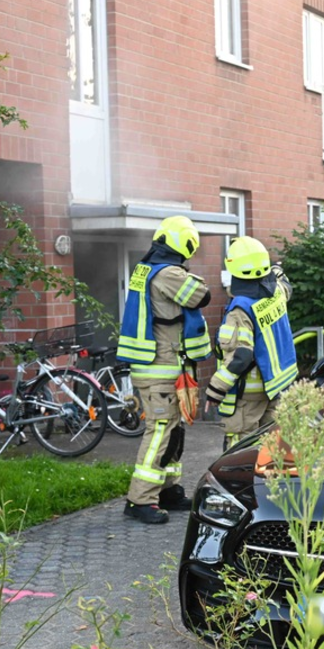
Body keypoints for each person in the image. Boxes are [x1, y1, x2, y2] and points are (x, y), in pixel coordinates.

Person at [117, 216, 213, 525]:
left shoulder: (147, 268)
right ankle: (140, 500)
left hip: (160, 365)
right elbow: (201, 295)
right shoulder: (168, 273)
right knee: (160, 432)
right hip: (159, 367)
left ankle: (167, 491)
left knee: (173, 431)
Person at [204, 236, 299, 450]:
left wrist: (215, 389)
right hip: (278, 386)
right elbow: (285, 284)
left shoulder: (240, 309)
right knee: (271, 449)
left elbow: (241, 356)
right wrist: (275, 270)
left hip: (249, 393)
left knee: (241, 450)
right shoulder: (276, 292)